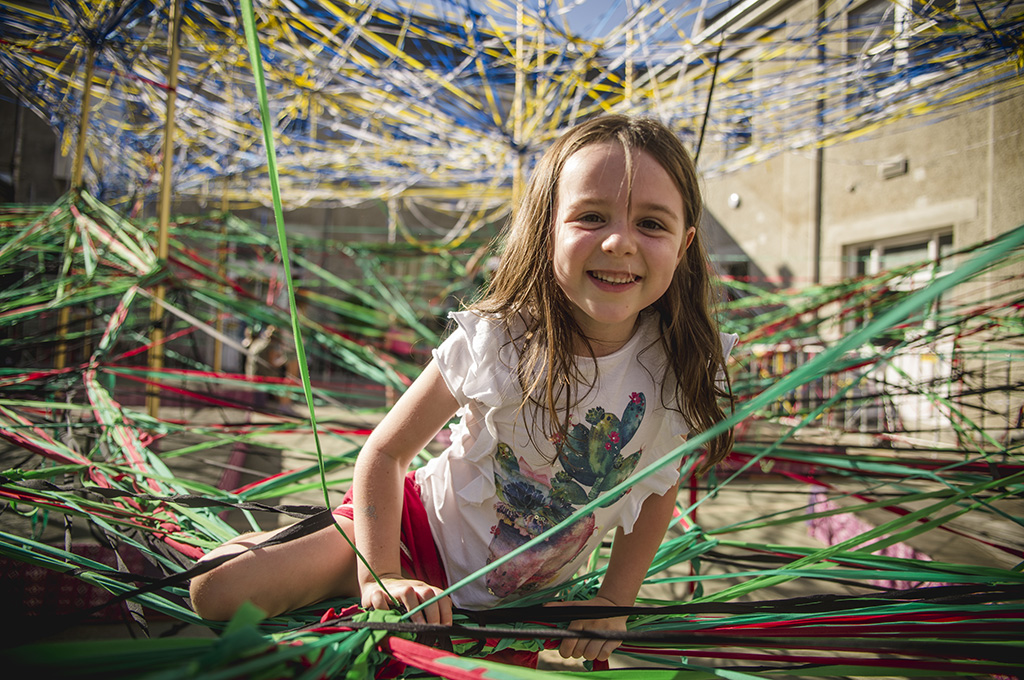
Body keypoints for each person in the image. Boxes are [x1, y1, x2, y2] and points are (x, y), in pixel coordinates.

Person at [189, 115, 737, 664]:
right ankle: (326, 553)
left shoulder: (676, 368)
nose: (620, 242)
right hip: (409, 536)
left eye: (652, 224)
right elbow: (385, 452)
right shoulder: (498, 337)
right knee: (215, 590)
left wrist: (615, 600)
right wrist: (381, 575)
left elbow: (656, 490)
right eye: (591, 217)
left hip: (508, 614)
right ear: (548, 228)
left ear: (686, 243)